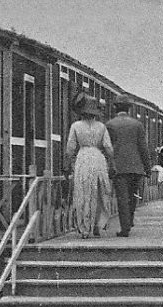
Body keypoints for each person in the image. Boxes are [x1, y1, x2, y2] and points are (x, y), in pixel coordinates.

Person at [65, 96, 114, 239]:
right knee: (99, 191)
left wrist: (67, 163)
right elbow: (108, 147)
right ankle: (98, 225)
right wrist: (112, 162)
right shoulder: (101, 127)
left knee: (83, 192)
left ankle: (85, 228)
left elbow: (70, 147)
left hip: (83, 158)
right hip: (98, 158)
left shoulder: (76, 126)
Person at [105, 94, 152, 238]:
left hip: (119, 167)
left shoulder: (110, 125)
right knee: (132, 196)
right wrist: (147, 168)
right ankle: (129, 220)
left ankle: (125, 227)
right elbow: (143, 148)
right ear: (129, 109)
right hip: (136, 167)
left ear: (115, 108)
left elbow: (107, 148)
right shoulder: (137, 125)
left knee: (122, 198)